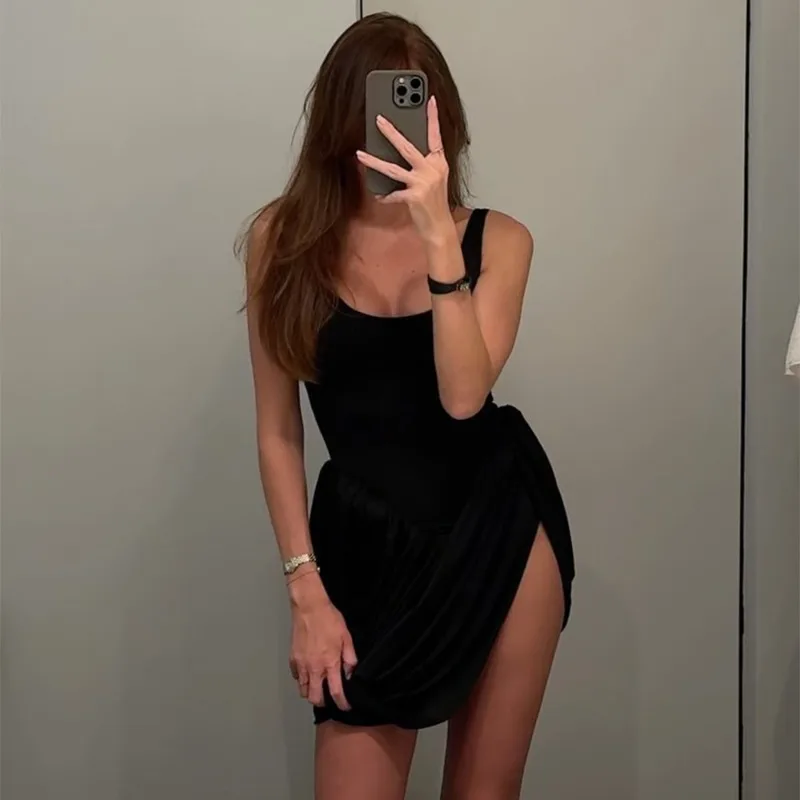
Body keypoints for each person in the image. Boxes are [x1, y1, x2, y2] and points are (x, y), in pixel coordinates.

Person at [240, 12, 575, 800]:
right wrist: (305, 589)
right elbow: (277, 431)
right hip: (363, 543)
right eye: (382, 108)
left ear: (445, 119)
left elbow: (463, 397)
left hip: (496, 525)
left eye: (419, 108)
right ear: (341, 120)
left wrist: (438, 242)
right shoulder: (282, 240)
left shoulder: (501, 241)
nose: (403, 130)